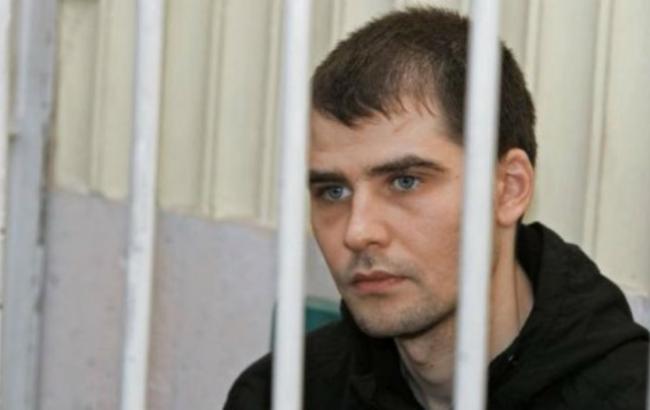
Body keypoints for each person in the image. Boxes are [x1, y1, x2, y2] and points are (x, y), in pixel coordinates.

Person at [225, 7, 648, 410]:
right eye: (333, 191)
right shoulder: (281, 393)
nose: (357, 231)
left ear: (508, 189)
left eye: (405, 181)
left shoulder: (628, 393)